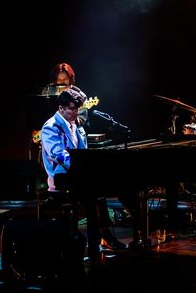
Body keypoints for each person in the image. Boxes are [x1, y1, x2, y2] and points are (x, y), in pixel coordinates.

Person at [41, 87, 126, 260]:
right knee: (92, 190)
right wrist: (83, 168)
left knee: (99, 188)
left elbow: (83, 153)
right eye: (72, 108)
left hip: (77, 175)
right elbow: (59, 155)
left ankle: (99, 239)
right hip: (60, 177)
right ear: (61, 108)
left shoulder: (76, 125)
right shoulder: (50, 127)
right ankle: (98, 240)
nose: (75, 112)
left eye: (77, 109)